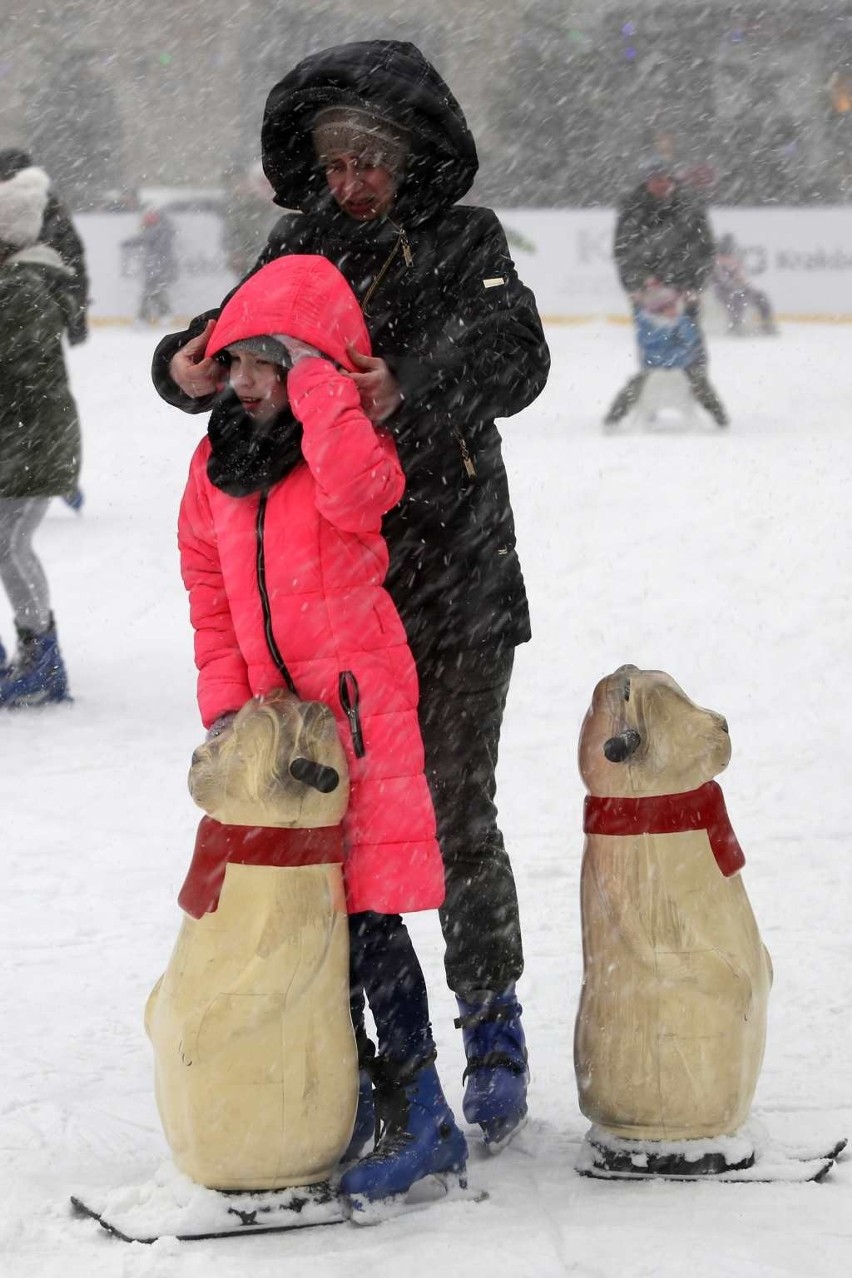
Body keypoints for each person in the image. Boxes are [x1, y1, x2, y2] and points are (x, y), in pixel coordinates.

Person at [152, 39, 550, 1151]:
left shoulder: (465, 241)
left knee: (459, 819)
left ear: (413, 151)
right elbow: (224, 347)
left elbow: (518, 358)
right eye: (333, 161)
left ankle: (493, 1019)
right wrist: (182, 359)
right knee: (335, 833)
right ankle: (362, 1049)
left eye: (369, 158)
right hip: (331, 602)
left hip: (457, 582)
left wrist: (408, 386)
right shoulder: (299, 243)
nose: (350, 181)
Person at [179, 252, 467, 1210]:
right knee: (301, 911)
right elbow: (208, 586)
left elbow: (363, 496)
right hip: (274, 722)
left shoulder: (340, 443)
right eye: (241, 362)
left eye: (272, 362)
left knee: (368, 911)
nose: (251, 381)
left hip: (355, 710)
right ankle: (340, 1100)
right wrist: (228, 702)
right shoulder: (216, 459)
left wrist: (321, 387)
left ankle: (423, 1108)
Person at [0, 163, 80, 707]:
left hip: (29, 446)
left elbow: (21, 378)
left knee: (9, 546)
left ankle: (43, 659)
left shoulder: (17, 292)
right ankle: (37, 655)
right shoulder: (14, 286)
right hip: (24, 442)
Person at [605, 160, 729, 428]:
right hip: (650, 295)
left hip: (684, 291)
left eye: (664, 179)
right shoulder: (634, 208)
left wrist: (694, 287)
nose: (661, 184)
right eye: (655, 179)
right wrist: (638, 285)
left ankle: (698, 394)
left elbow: (704, 249)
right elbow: (624, 251)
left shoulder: (690, 207)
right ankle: (649, 397)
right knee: (653, 348)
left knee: (691, 348)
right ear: (647, 182)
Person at [0, 148, 90, 346]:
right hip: (45, 308)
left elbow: (74, 262)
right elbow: (75, 264)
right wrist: (77, 317)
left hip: (28, 308)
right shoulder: (53, 210)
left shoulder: (45, 212)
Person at [713, 233, 778, 336]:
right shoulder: (717, 262)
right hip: (723, 292)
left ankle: (767, 325)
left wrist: (744, 286)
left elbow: (742, 278)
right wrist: (736, 285)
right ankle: (735, 326)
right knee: (736, 299)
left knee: (761, 297)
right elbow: (722, 281)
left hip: (740, 289)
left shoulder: (735, 260)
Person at [122, 206, 177, 324]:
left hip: (157, 268)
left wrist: (127, 242)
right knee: (154, 291)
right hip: (158, 267)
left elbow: (143, 238)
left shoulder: (158, 230)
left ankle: (147, 317)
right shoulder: (163, 229)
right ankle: (161, 315)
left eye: (148, 220)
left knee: (151, 292)